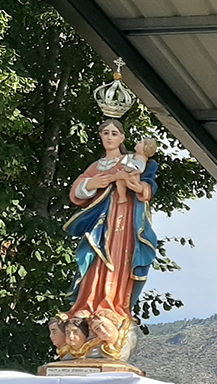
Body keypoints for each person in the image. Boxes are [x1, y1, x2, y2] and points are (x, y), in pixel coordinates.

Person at [64, 119, 158, 322]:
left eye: (114, 133)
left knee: (119, 256)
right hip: (99, 219)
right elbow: (77, 190)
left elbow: (147, 185)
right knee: (93, 256)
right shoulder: (96, 166)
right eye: (105, 133)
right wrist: (92, 183)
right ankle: (86, 303)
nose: (109, 137)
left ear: (122, 138)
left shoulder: (130, 160)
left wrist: (139, 188)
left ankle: (113, 304)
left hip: (124, 217)